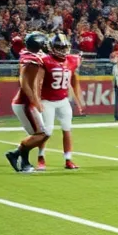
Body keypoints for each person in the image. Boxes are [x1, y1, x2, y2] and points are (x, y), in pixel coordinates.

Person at [5, 32, 52, 173]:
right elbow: (25, 84)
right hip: (25, 103)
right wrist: (35, 101)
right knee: (42, 134)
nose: (45, 45)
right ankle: (14, 154)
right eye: (43, 43)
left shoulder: (30, 55)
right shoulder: (31, 61)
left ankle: (24, 163)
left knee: (37, 136)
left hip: (26, 102)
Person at [34, 32, 82, 171]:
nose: (62, 50)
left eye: (64, 47)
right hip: (47, 101)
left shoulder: (73, 60)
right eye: (59, 47)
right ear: (52, 47)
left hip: (63, 101)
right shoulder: (46, 60)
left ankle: (68, 159)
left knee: (67, 129)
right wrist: (37, 100)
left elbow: (73, 79)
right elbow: (38, 82)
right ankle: (41, 157)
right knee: (46, 132)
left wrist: (77, 98)